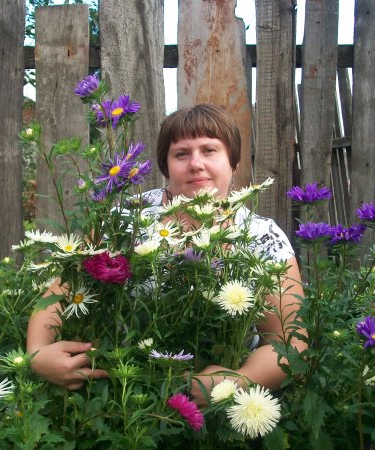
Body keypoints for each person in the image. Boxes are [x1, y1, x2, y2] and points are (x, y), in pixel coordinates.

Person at [27, 103, 306, 404]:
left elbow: (290, 343)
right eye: (181, 154)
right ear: (165, 166)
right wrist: (37, 353)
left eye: (209, 150)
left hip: (223, 409)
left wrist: (238, 381)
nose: (196, 164)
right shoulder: (127, 220)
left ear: (234, 162)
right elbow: (62, 290)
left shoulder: (262, 237)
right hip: (126, 395)